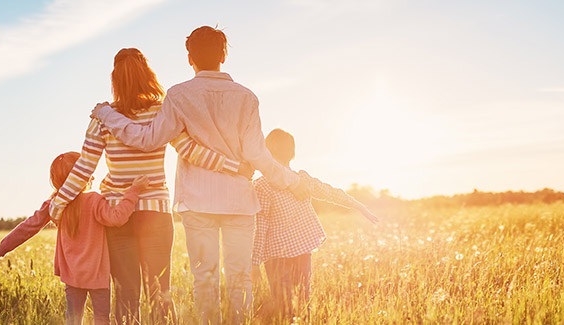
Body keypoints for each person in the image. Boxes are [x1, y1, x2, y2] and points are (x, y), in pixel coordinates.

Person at [90, 26, 310, 324]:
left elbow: (148, 140)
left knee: (204, 278)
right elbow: (258, 156)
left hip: (198, 202)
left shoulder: (178, 95)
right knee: (239, 277)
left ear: (189, 57)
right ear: (223, 55)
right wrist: (292, 182)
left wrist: (105, 113)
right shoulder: (247, 97)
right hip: (239, 203)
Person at [51, 48, 250, 324]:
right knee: (159, 293)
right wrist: (232, 166)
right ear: (147, 74)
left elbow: (84, 166)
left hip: (116, 216)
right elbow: (190, 150)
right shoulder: (162, 113)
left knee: (126, 294)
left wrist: (58, 203)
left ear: (115, 79)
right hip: (155, 213)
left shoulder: (103, 118)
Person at [0, 151, 149, 325]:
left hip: (71, 275)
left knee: (73, 320)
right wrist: (133, 191)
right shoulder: (94, 200)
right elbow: (117, 218)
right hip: (97, 274)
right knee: (102, 320)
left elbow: (27, 228)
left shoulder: (55, 204)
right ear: (82, 175)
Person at [250, 129, 379, 320]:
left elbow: (260, 228)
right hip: (299, 251)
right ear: (292, 153)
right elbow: (331, 192)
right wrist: (358, 205)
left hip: (278, 256)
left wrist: (254, 263)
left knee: (284, 305)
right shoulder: (301, 180)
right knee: (302, 303)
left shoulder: (263, 185)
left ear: (267, 152)